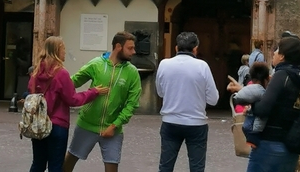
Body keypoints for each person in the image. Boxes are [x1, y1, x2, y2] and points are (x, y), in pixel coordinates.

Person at [63, 31, 142, 172]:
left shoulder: (132, 72)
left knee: (112, 167)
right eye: (130, 48)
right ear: (118, 46)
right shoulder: (96, 64)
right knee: (69, 162)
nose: (133, 52)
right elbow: (71, 83)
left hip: (113, 129)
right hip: (86, 124)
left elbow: (132, 104)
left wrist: (115, 125)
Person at [28, 36, 106, 172]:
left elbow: (31, 91)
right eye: (63, 48)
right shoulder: (61, 73)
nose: (65, 52)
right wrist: (93, 92)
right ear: (57, 50)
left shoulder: (36, 72)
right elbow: (72, 99)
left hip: (38, 124)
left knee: (38, 164)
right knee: (56, 166)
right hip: (57, 125)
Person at [244, 36, 300, 172]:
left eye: (277, 50)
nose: (274, 53)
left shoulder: (281, 75)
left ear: (282, 56)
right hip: (290, 146)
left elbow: (263, 109)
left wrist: (253, 104)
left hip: (270, 142)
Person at [155, 31, 218, 172]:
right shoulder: (202, 66)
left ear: (176, 48)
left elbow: (160, 92)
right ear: (195, 49)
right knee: (197, 167)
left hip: (170, 121)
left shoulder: (164, 64)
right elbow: (213, 99)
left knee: (165, 166)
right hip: (196, 123)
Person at [230, 62, 271, 148]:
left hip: (248, 126)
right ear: (266, 78)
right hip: (261, 133)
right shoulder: (264, 92)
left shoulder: (250, 89)